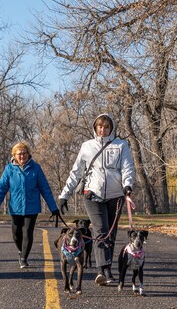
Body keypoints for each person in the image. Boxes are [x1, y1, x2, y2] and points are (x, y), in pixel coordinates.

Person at [57, 114, 135, 286]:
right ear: (95, 127)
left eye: (106, 127)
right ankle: (103, 269)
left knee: (111, 233)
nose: (102, 129)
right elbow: (76, 172)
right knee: (101, 230)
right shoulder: (87, 146)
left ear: (111, 128)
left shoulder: (121, 145)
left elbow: (128, 167)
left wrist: (127, 186)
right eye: (100, 126)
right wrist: (64, 195)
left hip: (116, 195)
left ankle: (106, 268)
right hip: (92, 194)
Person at [0, 141, 60, 269]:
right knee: (16, 233)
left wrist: (53, 208)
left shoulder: (36, 168)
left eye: (24, 153)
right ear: (14, 155)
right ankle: (20, 250)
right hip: (15, 207)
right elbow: (1, 188)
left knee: (27, 233)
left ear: (29, 154)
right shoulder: (9, 169)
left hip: (31, 207)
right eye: (19, 154)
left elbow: (45, 189)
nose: (22, 156)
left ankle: (24, 258)